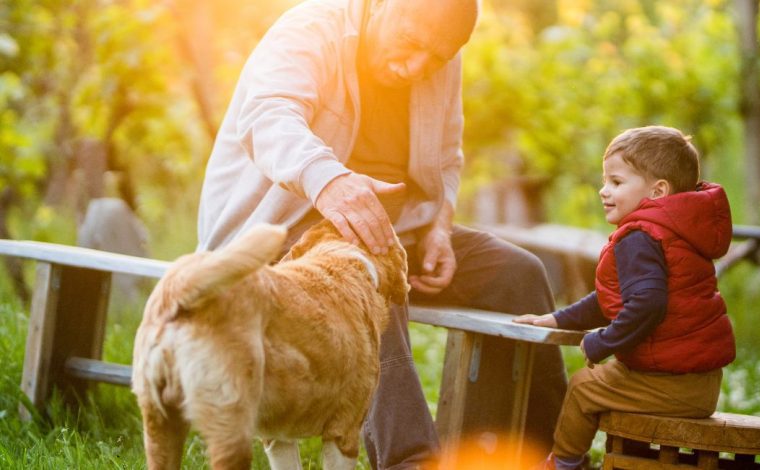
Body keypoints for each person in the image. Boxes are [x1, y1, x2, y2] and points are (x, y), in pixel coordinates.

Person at [196, 0, 568, 467]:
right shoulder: (311, 30)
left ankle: (551, 456)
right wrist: (328, 180)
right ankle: (410, 461)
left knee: (519, 274)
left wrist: (439, 224)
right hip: (279, 239)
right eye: (411, 44)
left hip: (397, 235)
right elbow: (267, 117)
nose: (417, 67)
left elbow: (448, 156)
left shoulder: (439, 55)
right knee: (364, 278)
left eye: (434, 58)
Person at [514, 125, 736, 470]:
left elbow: (647, 304)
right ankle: (625, 457)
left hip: (671, 383)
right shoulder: (677, 231)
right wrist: (556, 319)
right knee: (614, 374)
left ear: (658, 191)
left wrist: (600, 342)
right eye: (605, 181)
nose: (604, 191)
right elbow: (611, 299)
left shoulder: (640, 237)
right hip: (699, 383)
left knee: (584, 386)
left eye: (616, 183)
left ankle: (563, 463)